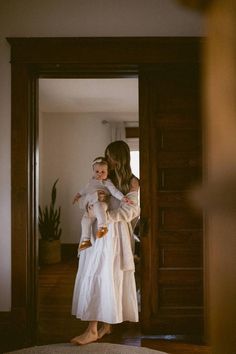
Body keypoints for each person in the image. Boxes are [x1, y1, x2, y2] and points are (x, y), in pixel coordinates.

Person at [71, 140, 140, 345]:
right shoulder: (101, 176)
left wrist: (106, 216)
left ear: (121, 158)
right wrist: (91, 204)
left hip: (114, 236)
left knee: (105, 276)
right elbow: (83, 200)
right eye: (107, 156)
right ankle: (103, 326)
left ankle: (93, 329)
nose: (108, 160)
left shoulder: (132, 182)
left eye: (112, 157)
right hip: (95, 232)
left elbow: (131, 211)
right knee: (94, 274)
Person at [73, 156, 133, 251]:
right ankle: (86, 239)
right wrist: (77, 196)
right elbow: (83, 190)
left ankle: (102, 226)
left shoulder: (106, 182)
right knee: (85, 220)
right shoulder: (90, 182)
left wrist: (123, 198)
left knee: (98, 206)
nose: (99, 174)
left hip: (102, 202)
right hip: (90, 206)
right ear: (93, 171)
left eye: (103, 172)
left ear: (107, 172)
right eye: (97, 172)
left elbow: (114, 192)